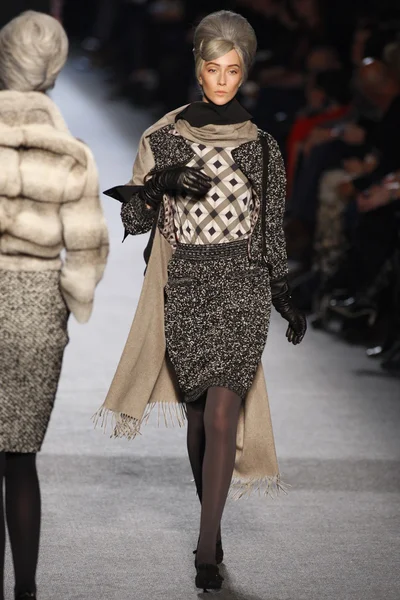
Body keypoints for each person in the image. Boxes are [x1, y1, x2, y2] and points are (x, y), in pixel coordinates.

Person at [95, 10, 306, 592]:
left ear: (245, 74)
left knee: (220, 413)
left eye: (233, 70)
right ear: (198, 69)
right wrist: (160, 181)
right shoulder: (163, 139)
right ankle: (210, 522)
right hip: (184, 284)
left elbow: (270, 233)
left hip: (241, 287)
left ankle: (206, 543)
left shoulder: (263, 149)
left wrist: (284, 296)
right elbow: (135, 222)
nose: (222, 80)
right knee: (196, 419)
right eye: (213, 68)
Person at [0, 11, 109, 600]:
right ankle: (27, 590)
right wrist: (67, 299)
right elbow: (88, 249)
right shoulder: (71, 153)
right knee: (20, 458)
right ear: (56, 68)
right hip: (36, 304)